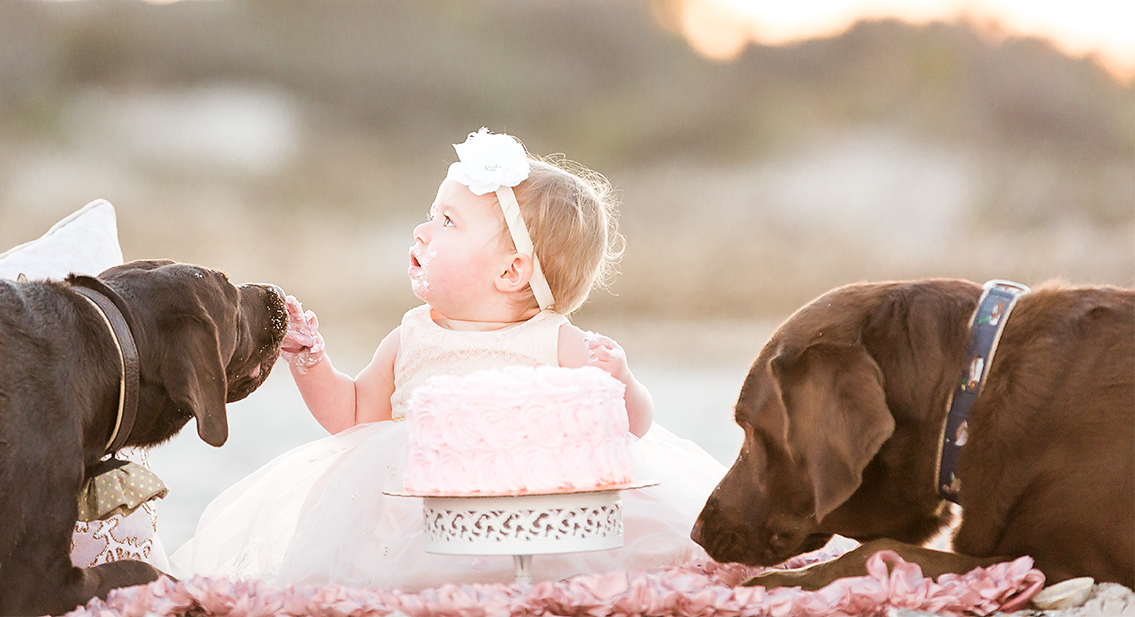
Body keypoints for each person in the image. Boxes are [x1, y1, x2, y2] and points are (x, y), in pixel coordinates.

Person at [171, 128, 727, 590]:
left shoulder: (558, 341)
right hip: (422, 518)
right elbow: (352, 414)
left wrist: (621, 381)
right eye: (432, 214)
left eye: (448, 222)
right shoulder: (410, 338)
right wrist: (311, 360)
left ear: (510, 271)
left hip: (542, 517)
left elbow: (631, 428)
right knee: (395, 573)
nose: (422, 229)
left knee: (612, 560)